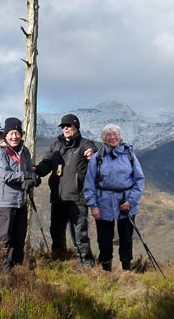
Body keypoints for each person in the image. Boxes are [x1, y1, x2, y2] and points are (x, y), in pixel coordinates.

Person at [35, 114, 97, 266]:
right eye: (63, 126)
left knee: (79, 235)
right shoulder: (56, 145)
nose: (65, 128)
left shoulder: (84, 144)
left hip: (77, 199)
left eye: (68, 126)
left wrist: (91, 154)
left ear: (76, 127)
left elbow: (93, 151)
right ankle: (60, 263)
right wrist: (35, 169)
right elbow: (46, 164)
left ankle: (87, 267)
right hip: (58, 198)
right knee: (56, 232)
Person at [83, 124, 145, 271]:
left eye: (115, 134)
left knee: (126, 238)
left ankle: (126, 269)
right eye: (108, 135)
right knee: (104, 239)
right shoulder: (97, 158)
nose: (112, 137)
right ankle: (106, 269)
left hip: (126, 202)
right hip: (103, 203)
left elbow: (139, 180)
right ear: (104, 139)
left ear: (120, 136)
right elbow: (89, 184)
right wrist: (93, 206)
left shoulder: (130, 156)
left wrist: (131, 202)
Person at [0, 117, 40, 271]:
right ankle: (2, 272)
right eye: (11, 133)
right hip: (4, 203)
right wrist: (26, 177)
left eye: (17, 133)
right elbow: (5, 175)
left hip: (21, 201)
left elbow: (29, 169)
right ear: (6, 134)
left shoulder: (24, 151)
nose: (14, 136)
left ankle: (18, 272)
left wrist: (33, 179)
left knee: (19, 239)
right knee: (4, 239)